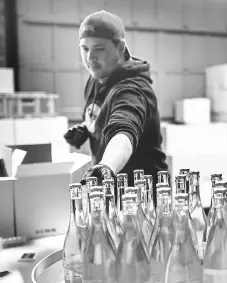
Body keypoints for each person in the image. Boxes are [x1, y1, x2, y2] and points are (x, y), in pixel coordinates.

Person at [64, 10, 168, 186]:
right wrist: (86, 127)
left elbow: (124, 131)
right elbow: (105, 112)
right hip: (114, 193)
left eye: (99, 49)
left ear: (120, 48)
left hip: (143, 198)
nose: (90, 58)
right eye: (85, 49)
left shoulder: (133, 90)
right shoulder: (97, 78)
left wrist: (107, 166)